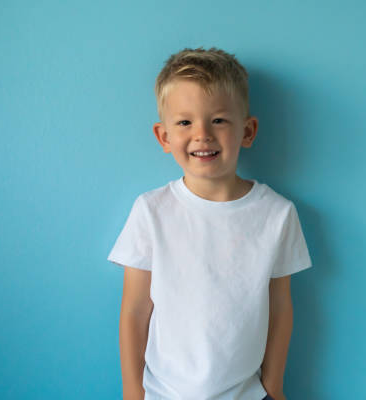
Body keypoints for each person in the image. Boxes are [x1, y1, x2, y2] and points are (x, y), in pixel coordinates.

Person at [107, 47, 313, 400]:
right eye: (185, 122)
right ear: (164, 136)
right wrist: (131, 392)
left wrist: (274, 386)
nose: (202, 134)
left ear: (247, 131)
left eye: (218, 119)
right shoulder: (151, 211)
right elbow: (134, 311)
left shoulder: (277, 215)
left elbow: (280, 308)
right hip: (162, 394)